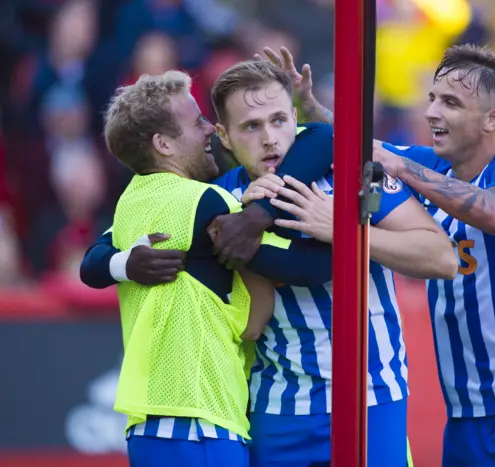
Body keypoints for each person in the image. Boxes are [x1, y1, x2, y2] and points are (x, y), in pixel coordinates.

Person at [81, 60, 458, 467]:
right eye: (250, 126)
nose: (269, 139)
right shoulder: (219, 195)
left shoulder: (351, 174)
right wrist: (122, 262)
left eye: (278, 120)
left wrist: (342, 231)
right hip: (274, 406)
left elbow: (441, 257)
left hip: (370, 395)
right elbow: (104, 248)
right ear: (223, 135)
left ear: (295, 119)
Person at [261, 44, 495, 466]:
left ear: (492, 119)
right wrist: (310, 106)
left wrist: (398, 167)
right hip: (464, 415)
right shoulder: (433, 167)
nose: (432, 112)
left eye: (450, 102)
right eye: (432, 98)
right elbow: (364, 147)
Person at [98, 69, 337, 467]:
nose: (207, 127)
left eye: (279, 120)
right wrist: (352, 237)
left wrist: (120, 263)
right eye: (196, 122)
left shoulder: (129, 205)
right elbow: (304, 272)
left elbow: (92, 265)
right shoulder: (210, 201)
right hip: (200, 416)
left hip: (145, 421)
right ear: (163, 144)